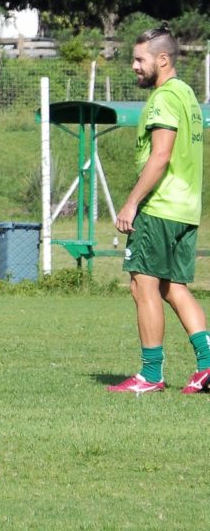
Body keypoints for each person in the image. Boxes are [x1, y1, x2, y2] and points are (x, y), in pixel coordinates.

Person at [107, 23, 210, 395]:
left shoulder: (165, 97)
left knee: (142, 285)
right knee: (173, 287)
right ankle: (207, 365)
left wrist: (132, 202)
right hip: (186, 208)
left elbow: (161, 156)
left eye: (140, 59)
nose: (134, 66)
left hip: (161, 206)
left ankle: (150, 375)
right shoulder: (188, 96)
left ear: (162, 59)